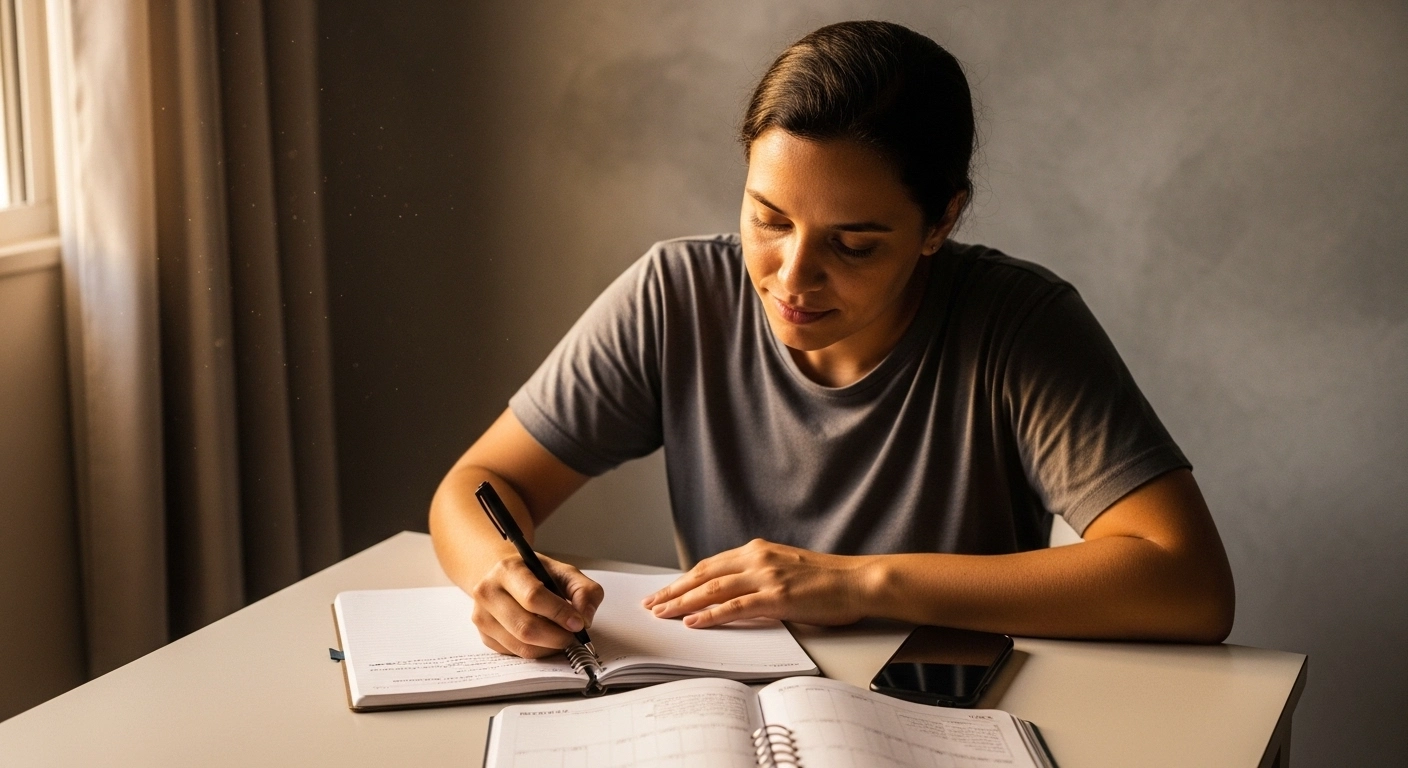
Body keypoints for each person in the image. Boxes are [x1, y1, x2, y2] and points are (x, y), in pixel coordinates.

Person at [429, 20, 1235, 660]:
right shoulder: (675, 295)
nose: (792, 276)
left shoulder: (1017, 324)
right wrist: (501, 576)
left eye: (853, 245)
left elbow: (1189, 585)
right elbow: (485, 481)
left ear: (941, 221)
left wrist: (859, 584)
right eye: (768, 220)